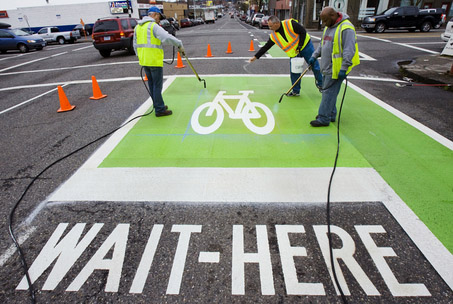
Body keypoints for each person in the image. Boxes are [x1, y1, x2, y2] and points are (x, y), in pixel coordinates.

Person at [307, 7, 360, 127]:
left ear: (333, 15)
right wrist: (314, 56)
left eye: (325, 20)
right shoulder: (328, 27)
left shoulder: (346, 28)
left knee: (327, 93)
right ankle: (330, 114)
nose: (324, 24)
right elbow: (322, 44)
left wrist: (344, 68)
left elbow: (349, 50)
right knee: (331, 93)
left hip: (336, 68)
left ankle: (323, 118)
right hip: (327, 67)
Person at [249, 16, 323, 97]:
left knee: (314, 66)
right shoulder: (274, 36)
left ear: (277, 23)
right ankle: (296, 91)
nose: (269, 28)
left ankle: (321, 85)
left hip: (305, 46)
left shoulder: (290, 24)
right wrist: (256, 56)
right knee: (294, 72)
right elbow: (266, 47)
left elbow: (303, 32)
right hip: (294, 53)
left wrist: (300, 45)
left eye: (270, 26)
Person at [134, 6, 185, 117]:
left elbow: (135, 44)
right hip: (154, 60)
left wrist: (140, 56)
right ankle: (160, 109)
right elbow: (166, 37)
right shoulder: (153, 26)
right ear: (155, 15)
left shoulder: (138, 27)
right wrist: (179, 44)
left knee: (152, 85)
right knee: (157, 85)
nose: (159, 19)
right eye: (159, 17)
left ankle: (157, 105)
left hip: (144, 61)